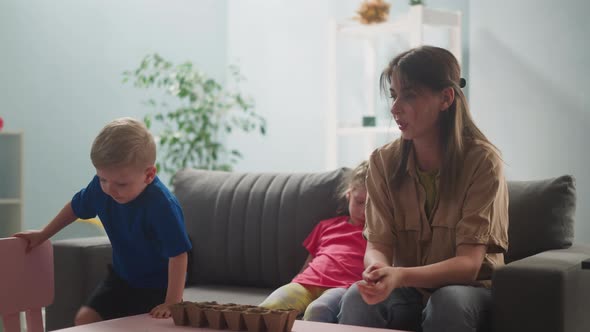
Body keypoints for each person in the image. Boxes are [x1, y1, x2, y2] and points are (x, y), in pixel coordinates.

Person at [338, 46, 509, 332]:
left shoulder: (483, 162)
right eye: (393, 95)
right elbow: (377, 246)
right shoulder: (382, 161)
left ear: (446, 98)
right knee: (357, 297)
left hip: (471, 291)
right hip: (409, 291)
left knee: (448, 301)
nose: (395, 108)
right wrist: (378, 271)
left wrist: (400, 275)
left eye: (409, 95)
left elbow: (468, 264)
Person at [14, 117, 192, 324]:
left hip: (159, 286)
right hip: (122, 278)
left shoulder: (163, 205)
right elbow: (75, 207)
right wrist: (44, 234)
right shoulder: (101, 189)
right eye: (103, 178)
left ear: (149, 175)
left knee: (142, 326)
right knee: (85, 319)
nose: (110, 189)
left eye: (122, 183)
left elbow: (178, 255)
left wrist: (172, 302)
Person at [259, 160, 369, 323]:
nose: (363, 211)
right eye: (359, 202)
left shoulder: (378, 235)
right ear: (348, 195)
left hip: (342, 288)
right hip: (306, 283)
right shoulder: (326, 226)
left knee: (318, 310)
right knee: (268, 307)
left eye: (372, 205)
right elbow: (309, 263)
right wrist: (296, 280)